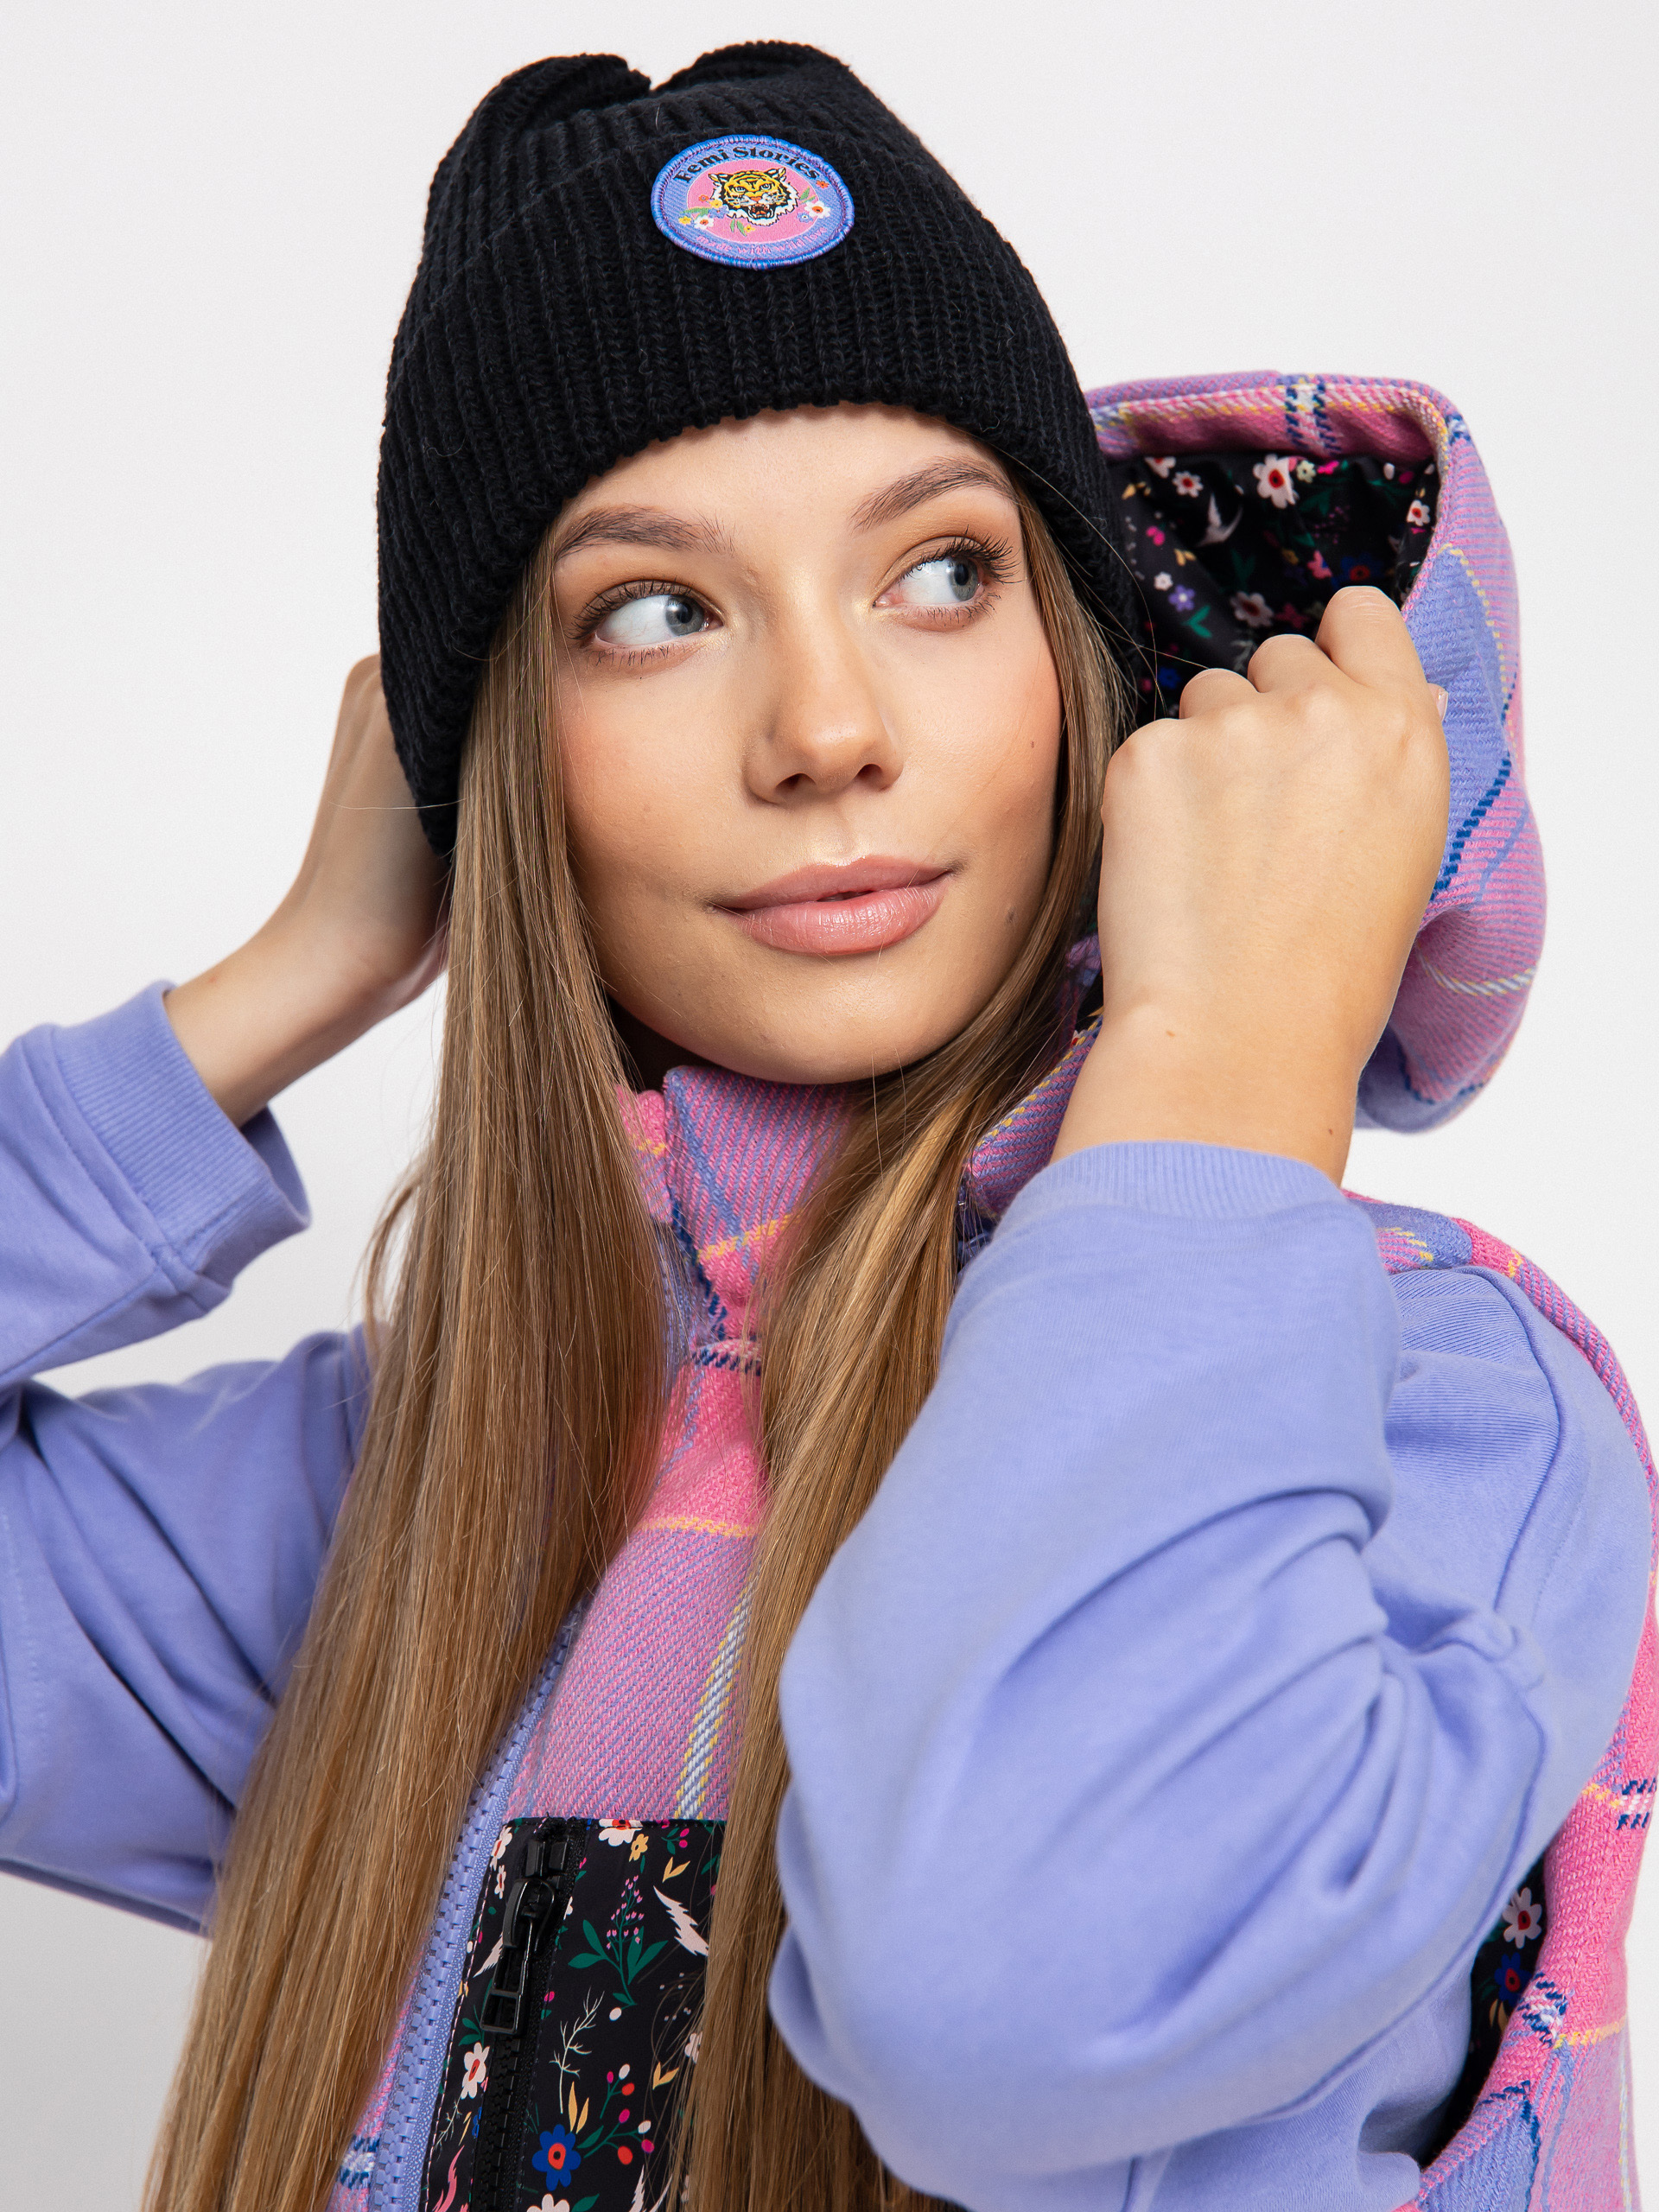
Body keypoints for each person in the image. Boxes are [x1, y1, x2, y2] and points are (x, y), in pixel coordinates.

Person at [0, 41, 1651, 2212]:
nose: (828, 725)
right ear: (498, 757)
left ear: (1083, 660)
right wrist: (281, 982)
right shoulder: (406, 1493)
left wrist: (1221, 1066)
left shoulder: (1438, 1418)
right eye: (654, 612)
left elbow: (1004, 1994)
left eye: (942, 572)